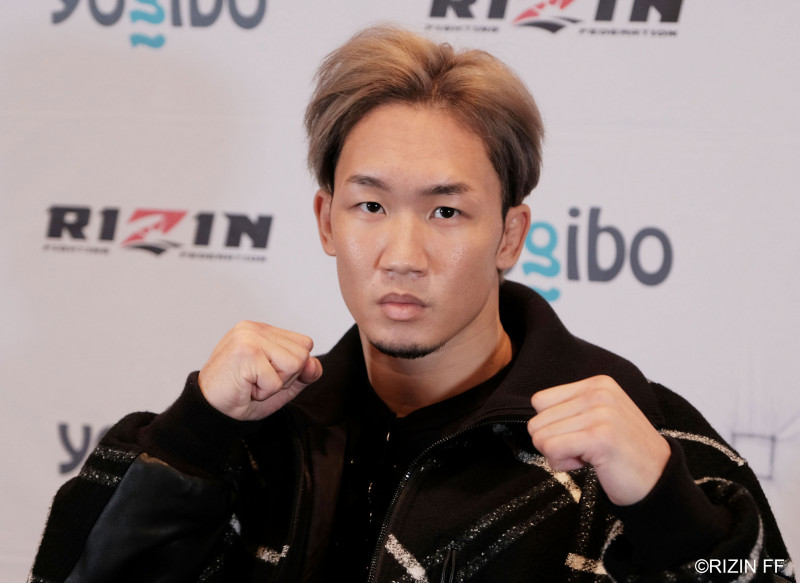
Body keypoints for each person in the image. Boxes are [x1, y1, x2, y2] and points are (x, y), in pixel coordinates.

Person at [30, 25, 793, 583]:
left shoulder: (643, 430)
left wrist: (666, 509)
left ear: (510, 234)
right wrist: (194, 431)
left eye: (446, 211)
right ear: (326, 220)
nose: (402, 254)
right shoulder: (252, 431)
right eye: (370, 206)